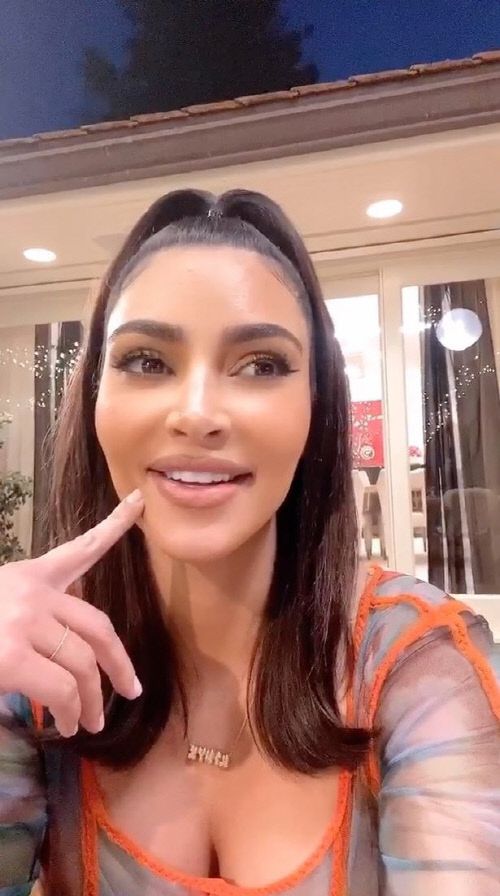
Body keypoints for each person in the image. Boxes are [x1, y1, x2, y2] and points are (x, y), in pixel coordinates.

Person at [0, 188, 499, 896]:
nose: (197, 413)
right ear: (93, 400)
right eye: (147, 361)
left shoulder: (417, 664)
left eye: (261, 364)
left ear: (316, 406)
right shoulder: (38, 661)